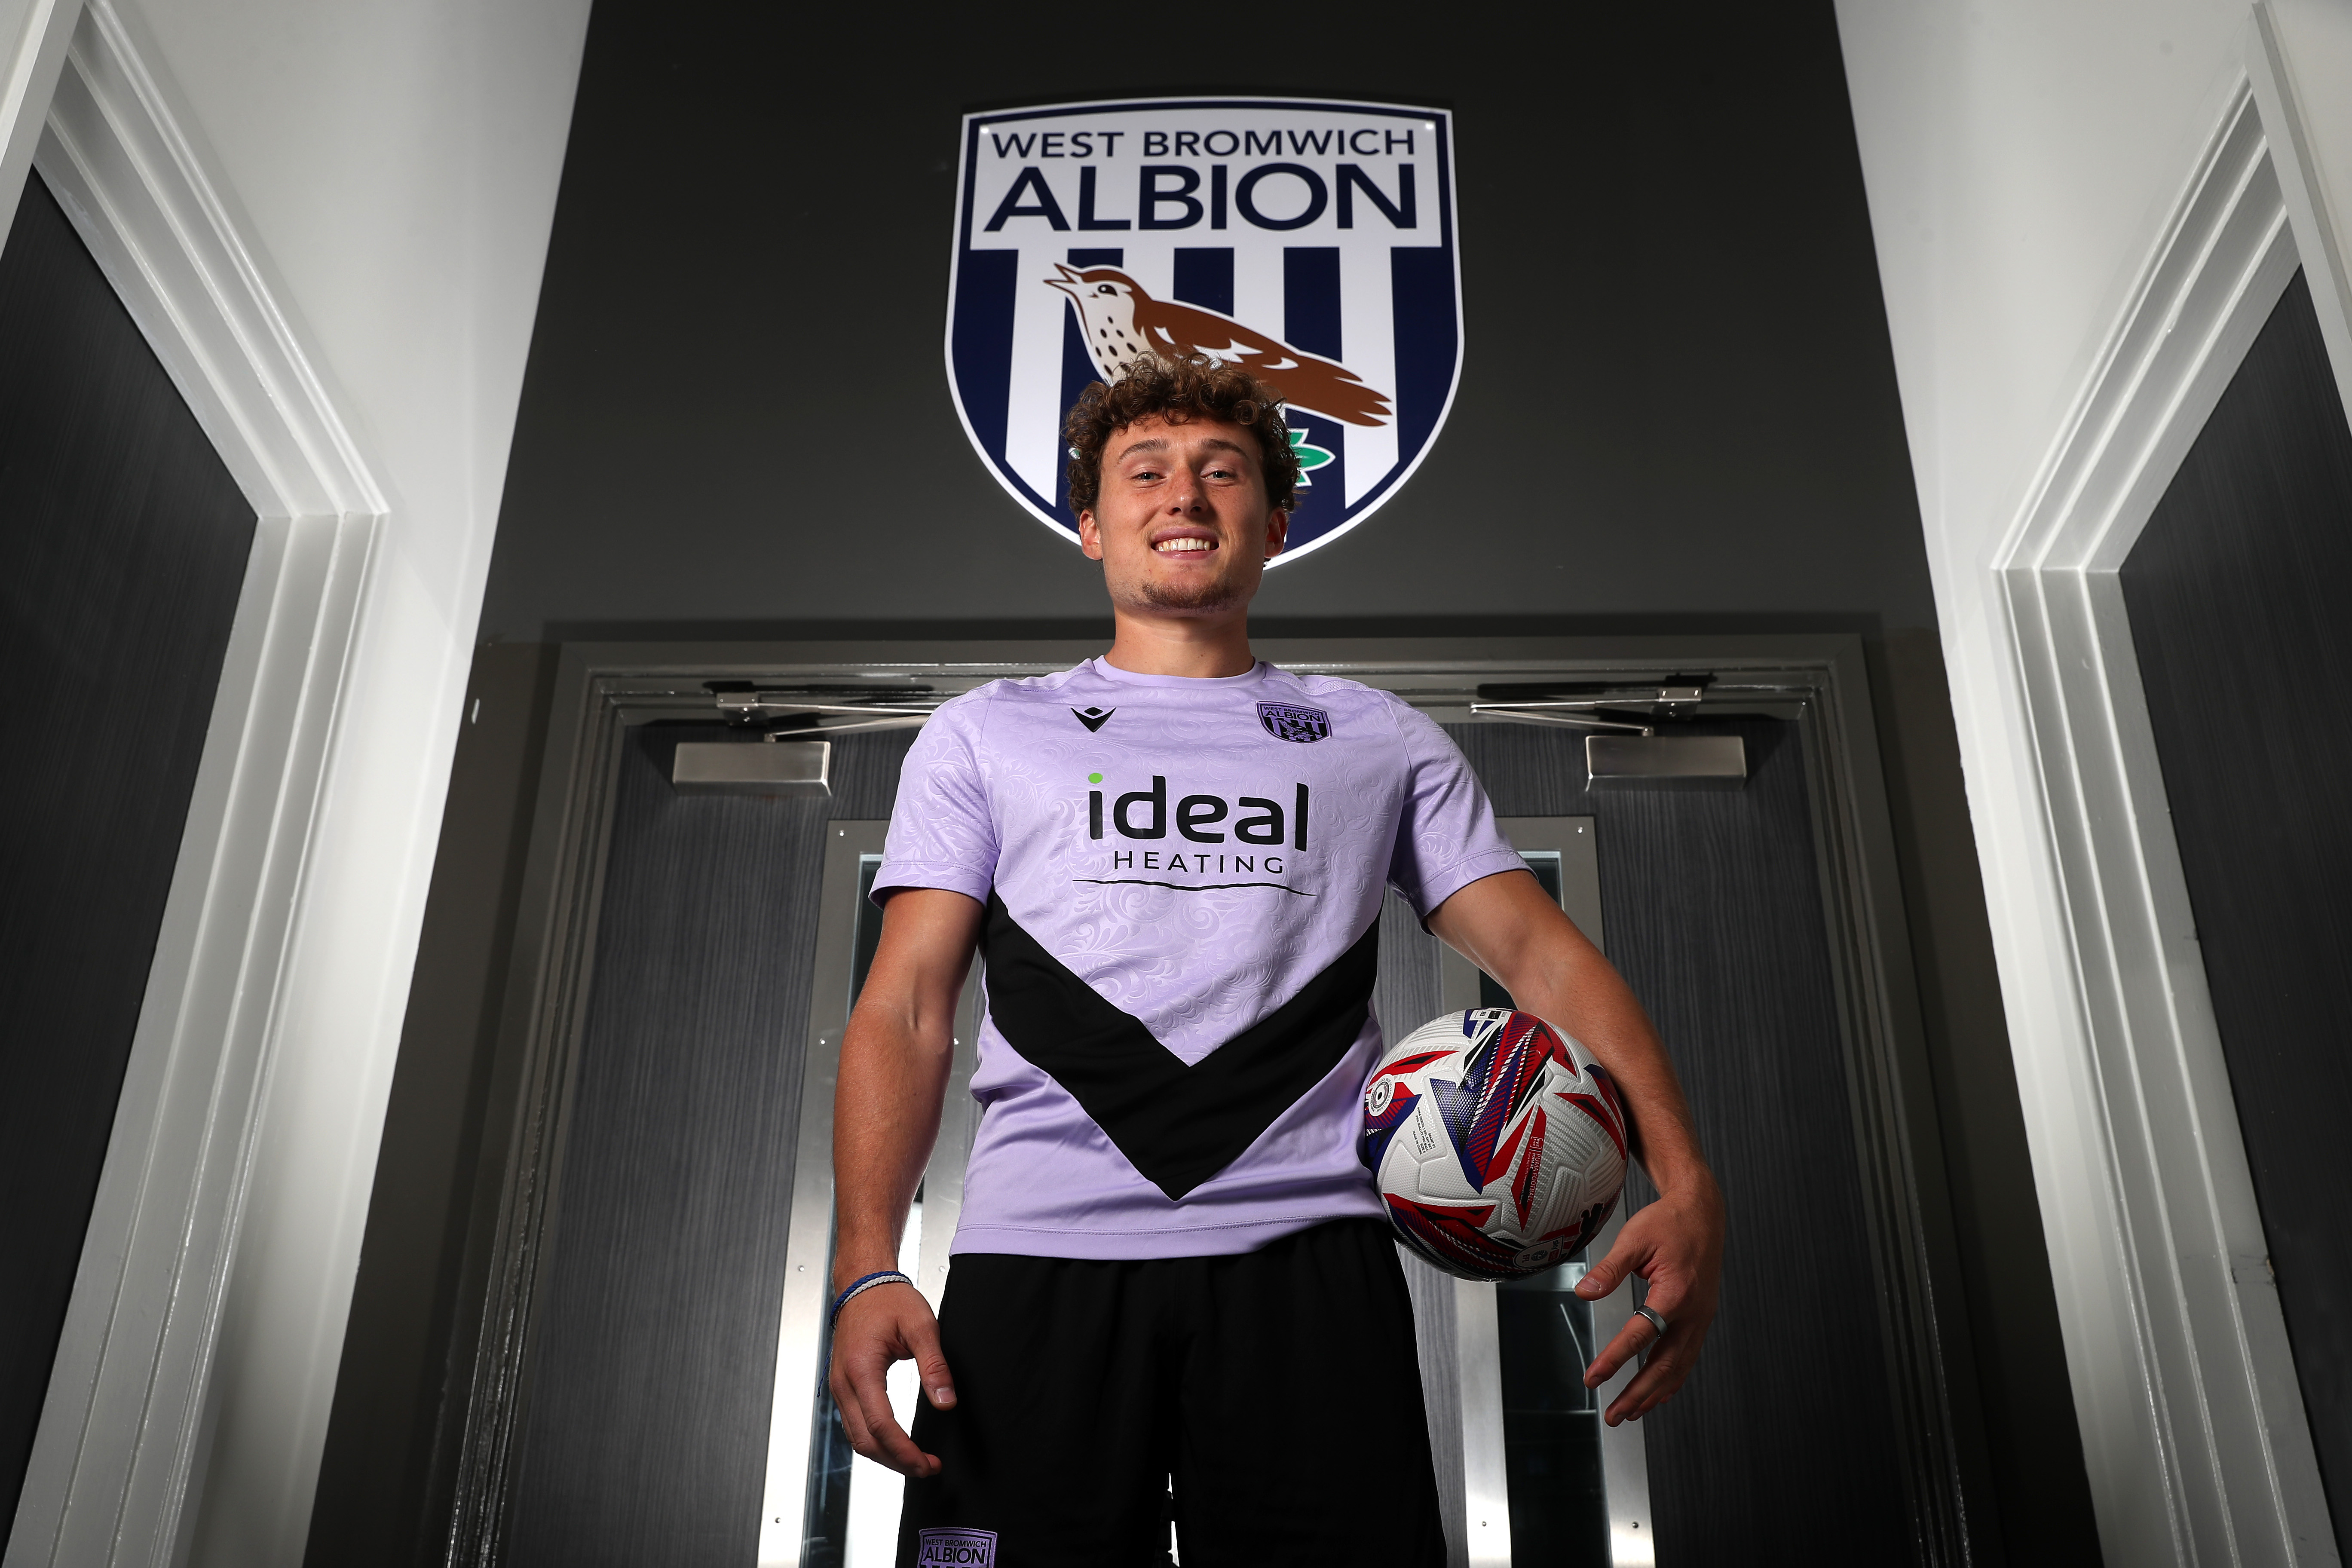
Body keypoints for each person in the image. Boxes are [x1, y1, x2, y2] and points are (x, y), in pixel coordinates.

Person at [828, 355, 1724, 1567]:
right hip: (1039, 1265)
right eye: (1144, 472)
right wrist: (863, 1267)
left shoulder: (1378, 738)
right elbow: (910, 1009)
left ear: (1276, 523)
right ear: (1092, 526)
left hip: (1308, 1267)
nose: (1183, 495)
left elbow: (1543, 962)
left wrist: (1684, 1180)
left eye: (1223, 472)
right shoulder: (988, 732)